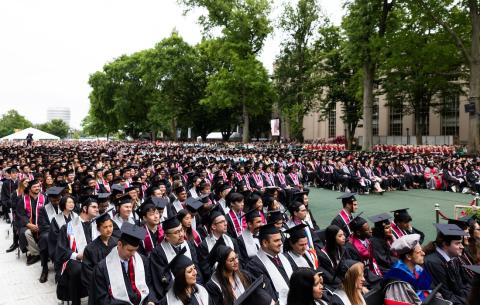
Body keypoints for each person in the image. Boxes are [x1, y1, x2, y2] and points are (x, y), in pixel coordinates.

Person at [91, 222, 157, 305]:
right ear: (119, 244)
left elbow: (149, 285)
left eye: (135, 250)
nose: (133, 254)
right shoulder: (103, 268)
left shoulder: (143, 261)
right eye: (130, 250)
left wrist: (150, 301)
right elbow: (102, 298)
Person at [383, 234, 452, 305]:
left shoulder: (417, 269)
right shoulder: (397, 280)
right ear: (408, 256)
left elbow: (430, 293)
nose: (424, 253)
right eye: (419, 252)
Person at [55, 196, 99, 305]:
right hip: (74, 259)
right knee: (78, 269)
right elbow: (61, 251)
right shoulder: (68, 227)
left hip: (94, 258)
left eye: (97, 207)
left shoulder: (97, 225)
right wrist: (78, 255)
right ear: (84, 208)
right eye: (94, 207)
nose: (97, 209)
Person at [149, 215, 202, 299]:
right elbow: (163, 280)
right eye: (176, 232)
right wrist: (182, 294)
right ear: (166, 236)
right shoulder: (158, 253)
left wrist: (198, 288)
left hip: (193, 289)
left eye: (181, 230)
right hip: (175, 295)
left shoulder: (188, 244)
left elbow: (197, 268)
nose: (181, 234)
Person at [205, 244, 273, 305]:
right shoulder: (213, 286)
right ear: (223, 264)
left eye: (236, 257)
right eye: (231, 260)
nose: (236, 262)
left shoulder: (244, 275)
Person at [245, 223, 294, 305]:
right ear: (265, 243)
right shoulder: (254, 266)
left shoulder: (284, 257)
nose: (281, 243)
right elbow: (266, 294)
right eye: (276, 240)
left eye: (280, 239)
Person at [423, 223, 471, 305]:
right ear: (445, 244)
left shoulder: (454, 258)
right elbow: (446, 296)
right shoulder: (433, 263)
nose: (462, 247)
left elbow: (466, 282)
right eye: (457, 243)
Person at [81, 211, 117, 300]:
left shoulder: (117, 243)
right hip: (99, 286)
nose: (109, 229)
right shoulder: (90, 248)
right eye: (105, 227)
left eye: (110, 226)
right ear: (98, 228)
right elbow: (88, 273)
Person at [198, 211, 241, 279]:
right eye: (222, 222)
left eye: (225, 221)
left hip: (235, 275)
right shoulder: (204, 246)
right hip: (217, 279)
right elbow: (206, 270)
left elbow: (240, 260)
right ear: (213, 226)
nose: (226, 223)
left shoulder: (232, 241)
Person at [344, 214, 382, 287]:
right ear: (358, 233)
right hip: (361, 279)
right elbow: (355, 272)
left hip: (370, 274)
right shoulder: (350, 247)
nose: (371, 230)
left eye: (369, 228)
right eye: (367, 230)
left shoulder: (367, 241)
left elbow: (372, 261)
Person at [16, 179, 46, 265]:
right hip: (28, 224)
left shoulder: (45, 198)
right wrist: (28, 224)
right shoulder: (23, 200)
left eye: (38, 186)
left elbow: (48, 213)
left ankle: (45, 251)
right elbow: (20, 215)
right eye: (34, 187)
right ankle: (36, 254)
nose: (37, 188)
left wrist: (40, 224)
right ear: (29, 189)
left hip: (42, 223)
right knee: (25, 233)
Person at [38, 186, 64, 283]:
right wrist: (56, 231)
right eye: (54, 201)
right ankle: (44, 268)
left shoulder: (66, 206)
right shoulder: (43, 209)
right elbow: (43, 226)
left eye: (58, 200)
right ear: (49, 199)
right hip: (49, 232)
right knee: (44, 239)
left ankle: (62, 267)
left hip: (65, 232)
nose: (57, 203)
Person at [318, 225, 346, 290]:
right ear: (332, 238)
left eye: (343, 235)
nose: (344, 237)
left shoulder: (342, 249)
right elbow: (330, 277)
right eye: (340, 236)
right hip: (335, 285)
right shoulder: (323, 256)